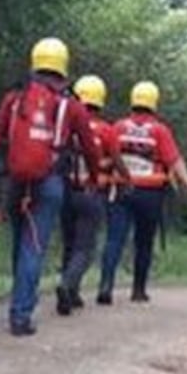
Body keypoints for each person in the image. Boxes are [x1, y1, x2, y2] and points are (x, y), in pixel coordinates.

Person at [0, 38, 101, 336]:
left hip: (17, 180)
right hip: (50, 181)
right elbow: (90, 150)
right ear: (63, 69)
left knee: (20, 242)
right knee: (34, 246)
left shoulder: (15, 99)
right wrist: (93, 178)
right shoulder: (72, 107)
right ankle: (20, 314)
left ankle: (18, 301)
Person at [98, 81, 187, 304]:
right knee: (144, 242)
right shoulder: (159, 130)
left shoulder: (118, 127)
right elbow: (174, 161)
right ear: (154, 103)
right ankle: (138, 290)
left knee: (114, 239)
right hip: (150, 193)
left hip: (121, 190)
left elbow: (104, 157)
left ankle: (105, 286)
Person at [57, 75, 131, 315]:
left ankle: (72, 291)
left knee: (69, 242)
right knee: (85, 247)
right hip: (93, 194)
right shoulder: (107, 131)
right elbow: (118, 161)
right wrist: (126, 180)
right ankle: (68, 284)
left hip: (66, 191)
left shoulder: (66, 125)